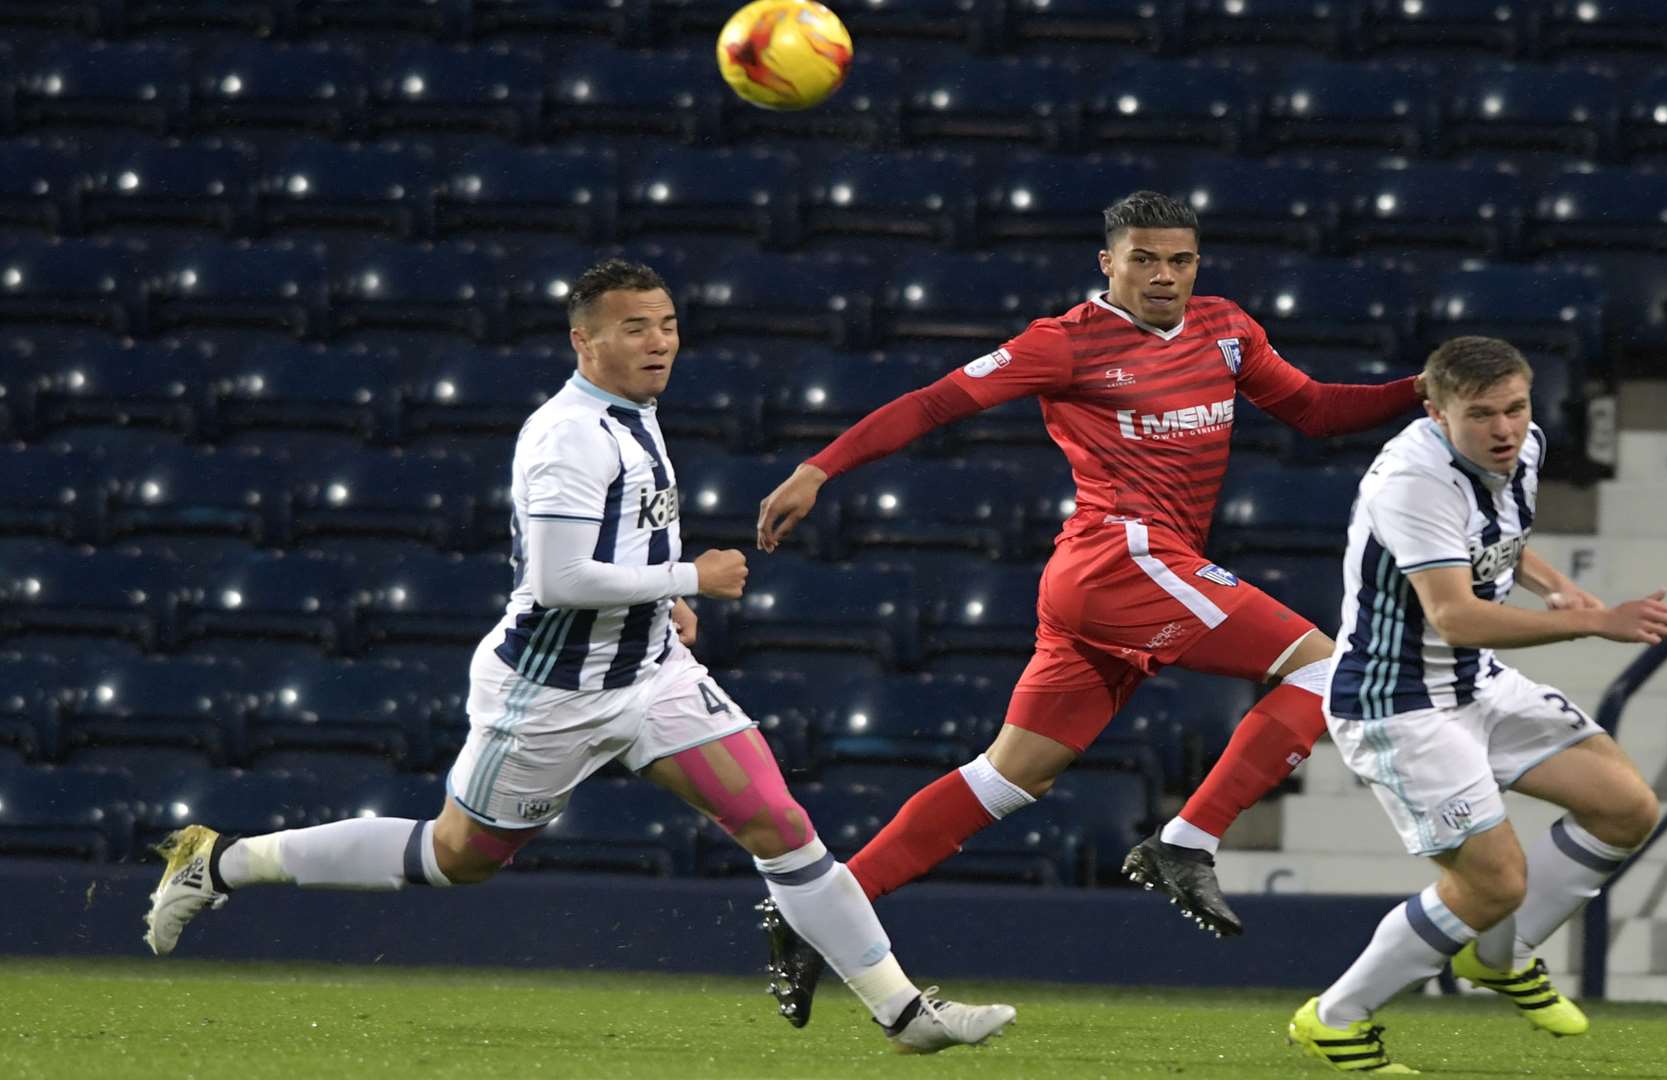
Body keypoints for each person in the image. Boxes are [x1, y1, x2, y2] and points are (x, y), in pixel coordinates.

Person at [141, 259, 1016, 1056]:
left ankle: (904, 1012)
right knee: (458, 857)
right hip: (551, 693)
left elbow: (611, 542)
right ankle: (222, 862)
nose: (658, 340)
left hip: (650, 676)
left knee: (779, 827)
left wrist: (661, 598)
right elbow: (557, 580)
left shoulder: (632, 416)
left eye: (667, 322)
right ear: (584, 340)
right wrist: (693, 577)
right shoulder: (568, 435)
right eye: (634, 327)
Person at [753, 191, 1427, 1023]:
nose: (1164, 277)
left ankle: (818, 912)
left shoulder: (1227, 328)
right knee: (1327, 668)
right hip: (1123, 557)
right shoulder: (1066, 341)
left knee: (1010, 777)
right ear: (1107, 263)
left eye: (1180, 260)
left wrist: (1417, 389)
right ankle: (1187, 842)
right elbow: (936, 402)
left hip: (1112, 580)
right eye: (1143, 259)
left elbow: (1315, 410)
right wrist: (821, 468)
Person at [1285, 337, 1667, 1073]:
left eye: (1516, 408)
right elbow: (1455, 616)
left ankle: (1502, 956)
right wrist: (1593, 620)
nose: (1504, 429)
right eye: (1481, 414)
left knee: (1626, 807)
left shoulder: (1519, 447)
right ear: (1437, 414)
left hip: (1475, 680)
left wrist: (1553, 585)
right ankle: (1334, 1019)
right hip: (1397, 699)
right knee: (1494, 881)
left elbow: (1501, 535)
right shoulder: (1412, 481)